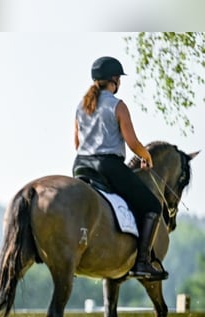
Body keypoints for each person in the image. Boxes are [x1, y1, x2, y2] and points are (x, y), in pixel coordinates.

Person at [72, 56, 168, 281]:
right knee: (153, 205)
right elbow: (132, 143)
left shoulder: (81, 106)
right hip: (108, 167)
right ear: (114, 80)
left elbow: (77, 143)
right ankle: (143, 262)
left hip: (80, 166)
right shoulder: (118, 105)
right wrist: (146, 157)